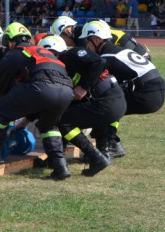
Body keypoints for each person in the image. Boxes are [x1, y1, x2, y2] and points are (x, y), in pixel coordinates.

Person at [0, 22, 75, 180]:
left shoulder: (14, 54)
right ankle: (60, 167)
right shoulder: (41, 50)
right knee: (49, 126)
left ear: (9, 41)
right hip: (67, 91)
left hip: (42, 87)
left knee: (0, 111)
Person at [79, 20, 165, 156]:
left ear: (96, 40)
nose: (87, 46)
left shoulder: (106, 57)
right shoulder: (117, 51)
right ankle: (114, 145)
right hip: (156, 91)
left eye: (88, 41)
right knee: (111, 103)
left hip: (146, 95)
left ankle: (105, 150)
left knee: (101, 106)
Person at [37, 35, 116, 177]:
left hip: (107, 102)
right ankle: (57, 159)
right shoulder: (62, 66)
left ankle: (96, 157)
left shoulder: (71, 55)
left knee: (62, 121)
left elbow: (99, 61)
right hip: (109, 102)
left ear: (53, 52)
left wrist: (84, 87)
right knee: (62, 116)